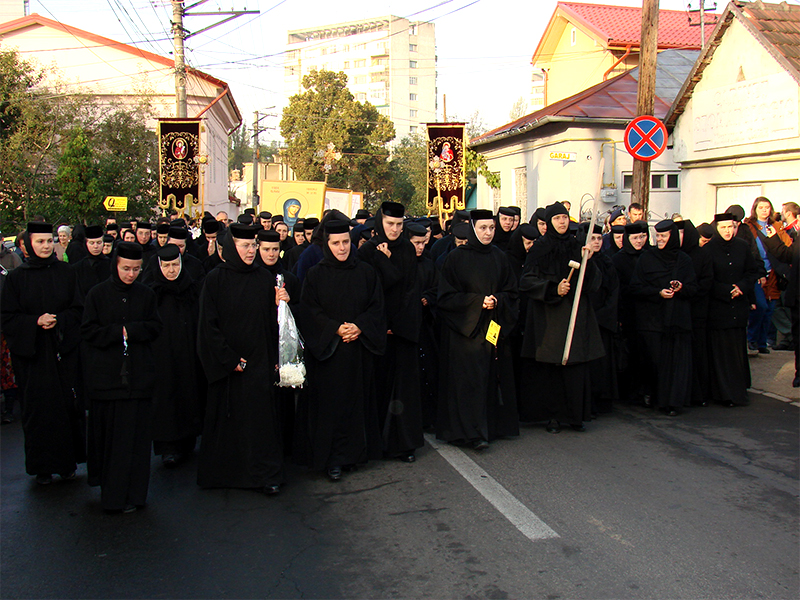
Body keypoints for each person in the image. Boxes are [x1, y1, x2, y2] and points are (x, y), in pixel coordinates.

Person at [196, 224, 284, 495]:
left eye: (253, 245)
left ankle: (264, 475)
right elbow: (207, 326)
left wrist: (282, 306)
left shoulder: (262, 278)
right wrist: (229, 358)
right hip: (230, 366)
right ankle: (224, 475)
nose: (251, 251)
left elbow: (271, 322)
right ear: (231, 248)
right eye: (245, 246)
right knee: (228, 421)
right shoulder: (215, 279)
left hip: (259, 363)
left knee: (260, 423)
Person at [297, 219, 386, 480]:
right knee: (330, 407)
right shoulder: (316, 274)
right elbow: (309, 311)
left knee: (357, 403)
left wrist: (359, 326)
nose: (342, 248)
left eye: (346, 242)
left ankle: (355, 455)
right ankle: (333, 459)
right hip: (329, 355)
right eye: (336, 243)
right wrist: (335, 328)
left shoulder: (366, 272)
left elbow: (376, 307)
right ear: (327, 244)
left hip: (358, 353)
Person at [1, 222, 85, 484]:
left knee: (66, 407)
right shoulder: (16, 278)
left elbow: (79, 310)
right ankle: (42, 467)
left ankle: (67, 463)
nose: (46, 246)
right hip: (33, 356)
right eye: (40, 242)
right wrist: (35, 322)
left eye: (49, 241)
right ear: (27, 245)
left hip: (62, 351)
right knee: (38, 410)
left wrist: (59, 319)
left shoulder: (67, 273)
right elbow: (8, 318)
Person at [81, 242, 161, 512]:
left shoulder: (146, 294)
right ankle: (113, 497)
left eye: (136, 269)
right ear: (115, 266)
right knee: (112, 444)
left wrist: (133, 331)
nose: (131, 274)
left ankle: (136, 496)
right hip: (108, 381)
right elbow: (89, 331)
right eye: (126, 269)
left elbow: (155, 327)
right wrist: (119, 333)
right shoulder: (97, 294)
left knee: (137, 444)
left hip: (139, 380)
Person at [437, 209, 519, 449]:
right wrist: (477, 302)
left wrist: (498, 301)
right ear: (472, 229)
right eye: (483, 228)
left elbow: (512, 292)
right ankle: (468, 432)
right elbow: (446, 298)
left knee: (490, 379)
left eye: (491, 228)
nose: (488, 233)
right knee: (467, 383)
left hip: (492, 328)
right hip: (465, 333)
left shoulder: (499, 256)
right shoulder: (456, 258)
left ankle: (488, 428)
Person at [519, 203, 603, 432]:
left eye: (564, 217)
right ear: (549, 223)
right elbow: (527, 281)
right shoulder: (539, 248)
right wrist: (552, 289)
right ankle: (553, 417)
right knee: (552, 370)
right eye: (557, 218)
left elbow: (593, 283)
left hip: (575, 315)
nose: (562, 222)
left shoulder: (578, 246)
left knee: (575, 368)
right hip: (550, 317)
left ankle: (575, 416)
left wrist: (590, 261)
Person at [358, 202, 423, 462]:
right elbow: (368, 291)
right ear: (379, 223)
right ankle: (376, 444)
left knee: (404, 389)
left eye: (399, 225)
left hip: (402, 329)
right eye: (390, 224)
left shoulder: (407, 249)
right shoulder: (367, 251)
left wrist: (399, 324)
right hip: (377, 330)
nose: (395, 229)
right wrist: (380, 323)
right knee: (378, 387)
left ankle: (403, 444)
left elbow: (410, 289)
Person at [629, 220, 698, 415]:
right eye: (657, 236)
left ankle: (674, 403)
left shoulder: (684, 260)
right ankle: (656, 397)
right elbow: (636, 287)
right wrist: (658, 292)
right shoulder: (647, 258)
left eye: (664, 236)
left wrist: (681, 287)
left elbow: (694, 288)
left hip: (677, 321)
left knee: (676, 365)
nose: (659, 240)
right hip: (653, 321)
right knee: (656, 362)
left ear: (673, 237)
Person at [147, 244, 205, 467]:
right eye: (166, 266)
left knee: (188, 393)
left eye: (175, 265)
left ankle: (188, 440)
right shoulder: (152, 292)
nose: (171, 270)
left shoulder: (191, 289)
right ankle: (168, 447)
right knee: (165, 399)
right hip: (161, 356)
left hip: (188, 353)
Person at [705, 214, 760, 406]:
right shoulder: (709, 249)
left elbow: (752, 271)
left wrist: (741, 287)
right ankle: (723, 394)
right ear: (717, 228)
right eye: (724, 227)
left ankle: (739, 391)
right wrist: (727, 291)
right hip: (719, 308)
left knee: (737, 352)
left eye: (731, 227)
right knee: (721, 353)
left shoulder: (742, 246)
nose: (728, 231)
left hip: (739, 306)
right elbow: (707, 279)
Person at [743, 197, 791, 354]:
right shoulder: (749, 226)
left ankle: (762, 342)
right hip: (757, 270)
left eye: (767, 207)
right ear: (755, 209)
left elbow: (786, 246)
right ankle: (752, 339)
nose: (764, 210)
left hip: (774, 272)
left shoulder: (777, 226)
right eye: (761, 207)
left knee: (770, 309)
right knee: (760, 306)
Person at [612, 221, 649, 405]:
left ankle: (643, 391)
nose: (639, 241)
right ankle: (629, 392)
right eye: (634, 238)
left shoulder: (649, 256)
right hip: (628, 312)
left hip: (648, 314)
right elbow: (618, 289)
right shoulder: (619, 259)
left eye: (642, 237)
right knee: (630, 353)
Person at [677, 220, 714, 406]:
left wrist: (690, 293)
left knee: (698, 352)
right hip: (678, 312)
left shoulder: (702, 255)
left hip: (697, 311)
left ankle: (699, 393)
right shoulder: (674, 255)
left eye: (683, 233)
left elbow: (707, 281)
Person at [71, 225, 111, 299]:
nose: (95, 246)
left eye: (99, 242)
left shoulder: (111, 265)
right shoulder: (77, 268)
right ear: (86, 243)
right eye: (92, 243)